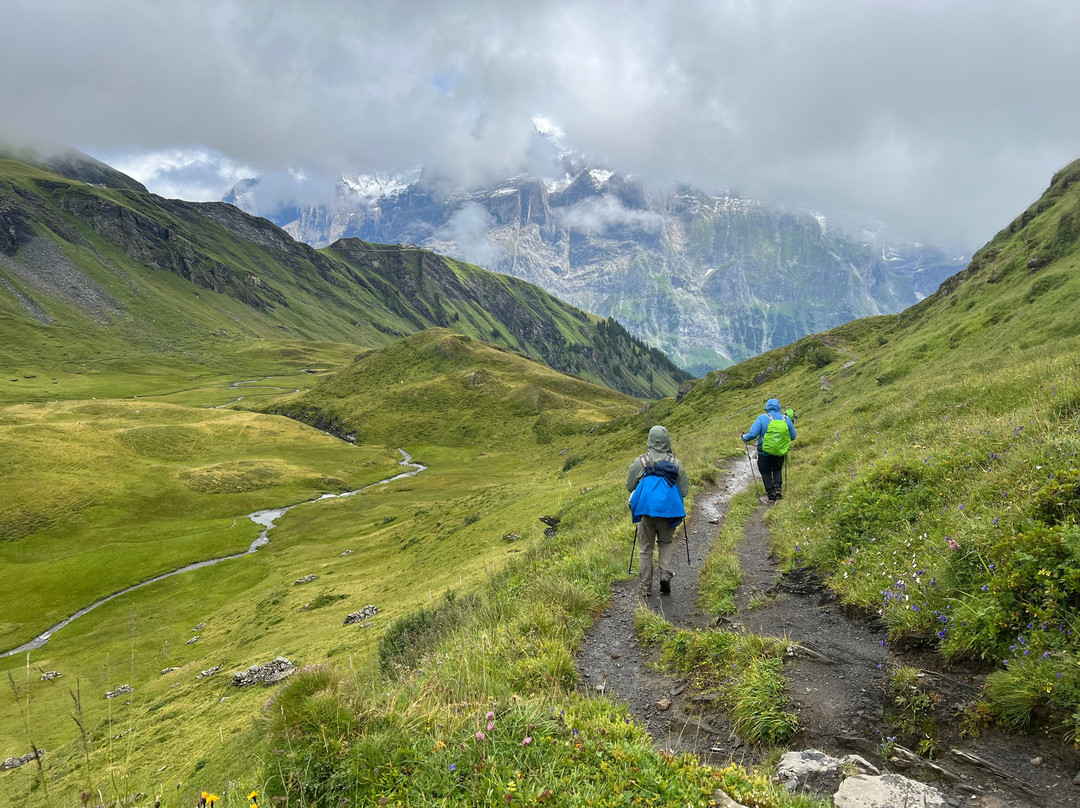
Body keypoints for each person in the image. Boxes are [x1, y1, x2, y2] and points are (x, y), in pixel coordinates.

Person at [627, 425, 689, 598]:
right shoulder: (675, 463)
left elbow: (629, 486)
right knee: (665, 544)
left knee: (646, 548)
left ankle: (645, 587)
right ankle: (665, 576)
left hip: (646, 513)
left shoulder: (641, 462)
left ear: (650, 440)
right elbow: (684, 491)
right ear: (667, 440)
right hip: (668, 513)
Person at [741, 398, 796, 502]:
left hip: (764, 453)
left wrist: (744, 437)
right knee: (777, 469)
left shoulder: (762, 418)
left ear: (766, 408)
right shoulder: (786, 419)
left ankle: (771, 495)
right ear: (779, 407)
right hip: (779, 452)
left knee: (765, 472)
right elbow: (793, 436)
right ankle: (778, 488)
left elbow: (753, 434)